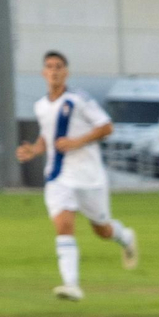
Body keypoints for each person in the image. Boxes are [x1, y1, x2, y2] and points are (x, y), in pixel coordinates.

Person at [15, 51, 138, 301]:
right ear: (43, 73)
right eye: (50, 67)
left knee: (102, 230)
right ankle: (71, 285)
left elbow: (106, 126)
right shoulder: (41, 106)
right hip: (58, 176)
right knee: (64, 225)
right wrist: (34, 150)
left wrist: (77, 142)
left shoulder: (79, 99)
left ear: (66, 72)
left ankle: (125, 237)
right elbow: (47, 136)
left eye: (59, 66)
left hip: (89, 176)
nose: (54, 71)